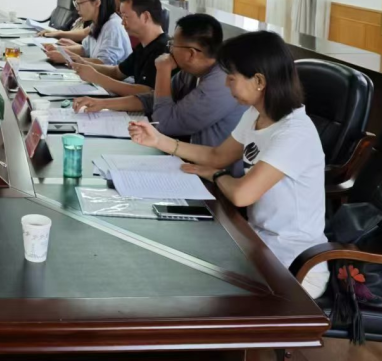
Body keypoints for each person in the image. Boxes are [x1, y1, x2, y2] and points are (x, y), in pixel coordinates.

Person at [128, 31, 329, 298]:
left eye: (231, 77)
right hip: (257, 243)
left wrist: (216, 175)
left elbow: (241, 194)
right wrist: (159, 141)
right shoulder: (256, 114)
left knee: (190, 287)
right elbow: (217, 155)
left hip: (295, 265)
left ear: (259, 81)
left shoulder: (294, 132)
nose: (226, 84)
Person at [75, 14, 247, 168]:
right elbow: (155, 99)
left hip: (215, 175)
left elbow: (164, 123)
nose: (169, 49)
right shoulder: (191, 71)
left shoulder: (221, 83)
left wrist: (163, 70)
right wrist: (103, 104)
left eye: (173, 44)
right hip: (186, 160)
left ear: (191, 54)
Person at [72, 0, 169, 94]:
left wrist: (97, 78)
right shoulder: (143, 47)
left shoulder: (162, 50)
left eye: (126, 17)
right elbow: (117, 72)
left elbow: (145, 92)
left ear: (145, 16)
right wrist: (82, 63)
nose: (122, 23)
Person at [43, 0, 130, 66]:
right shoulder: (97, 23)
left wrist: (67, 58)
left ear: (97, 3)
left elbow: (104, 63)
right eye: (76, 3)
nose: (77, 8)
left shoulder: (113, 26)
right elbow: (85, 49)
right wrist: (58, 49)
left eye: (80, 3)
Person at [40, 0, 136, 42]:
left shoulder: (116, 21)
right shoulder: (103, 16)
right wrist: (58, 34)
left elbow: (105, 61)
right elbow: (86, 37)